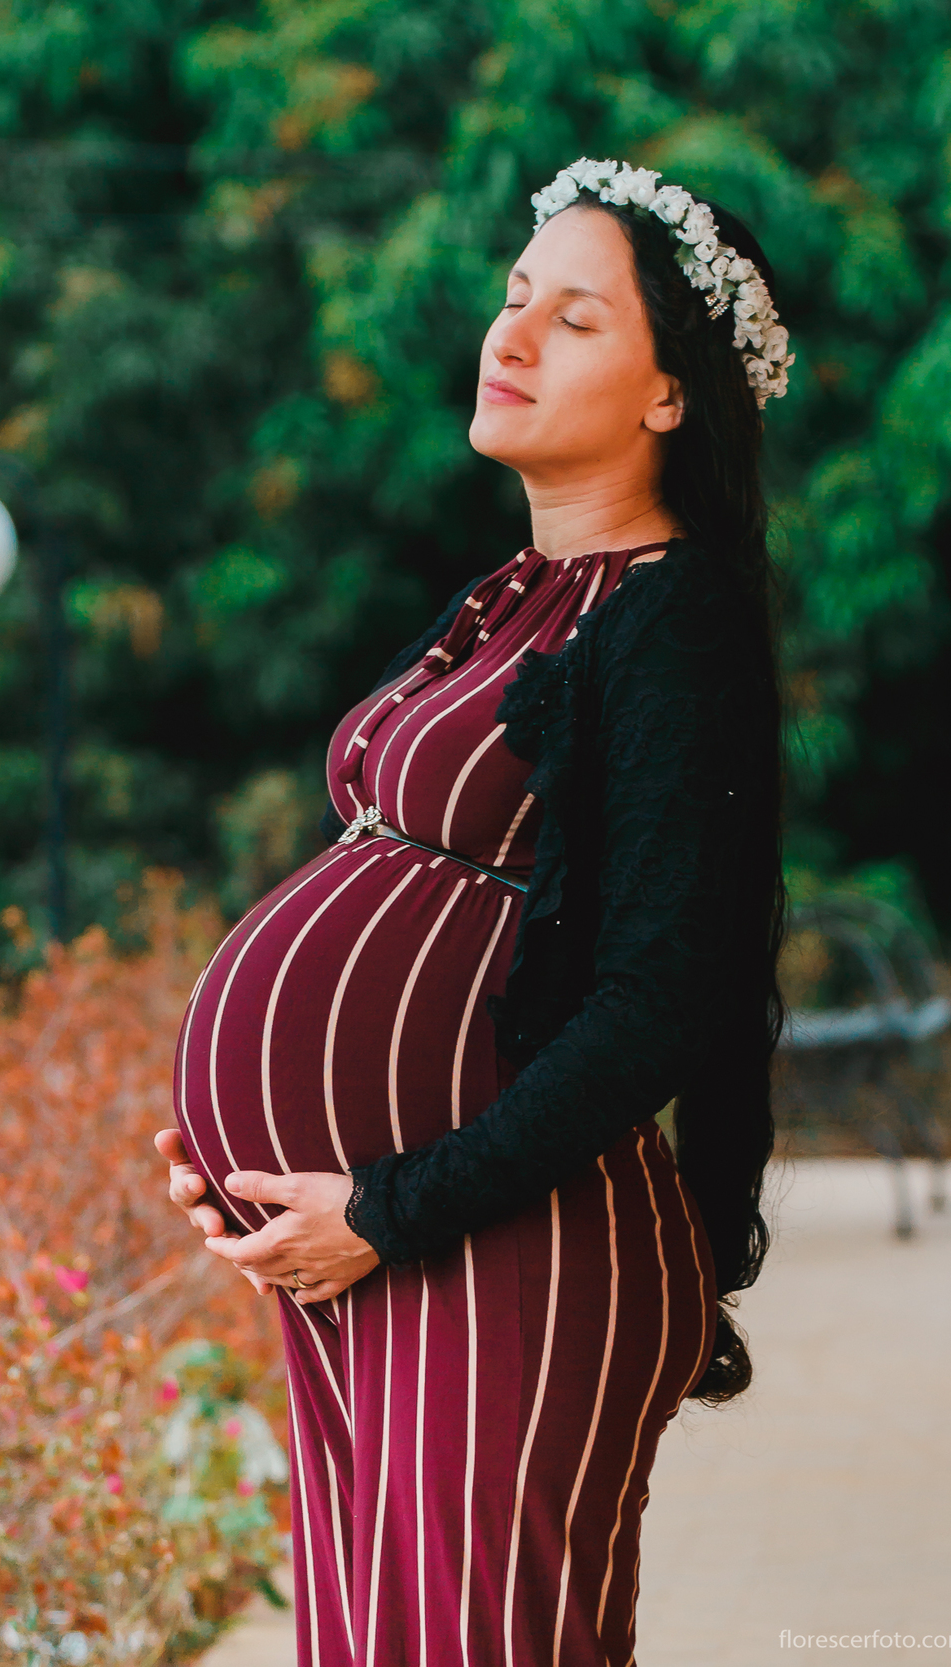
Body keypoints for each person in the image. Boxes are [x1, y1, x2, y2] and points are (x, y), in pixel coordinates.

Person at [155, 157, 789, 1667]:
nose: (511, 336)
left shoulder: (675, 616)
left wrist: (384, 1206)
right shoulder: (519, 596)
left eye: (575, 319)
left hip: (506, 1251)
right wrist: (251, 1174)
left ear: (672, 394)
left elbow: (667, 997)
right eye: (515, 299)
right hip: (383, 1253)